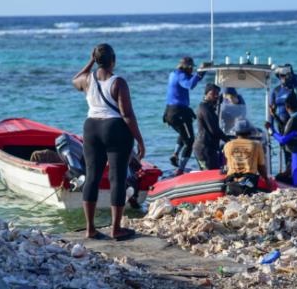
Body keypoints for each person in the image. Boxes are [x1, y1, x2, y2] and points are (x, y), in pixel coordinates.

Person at [72, 43, 145, 241]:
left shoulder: (87, 79)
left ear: (95, 60)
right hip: (115, 128)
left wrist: (89, 62)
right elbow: (127, 114)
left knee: (92, 177)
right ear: (113, 60)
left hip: (91, 128)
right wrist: (139, 140)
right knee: (117, 178)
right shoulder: (118, 82)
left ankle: (90, 229)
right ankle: (116, 229)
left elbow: (74, 80)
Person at [163, 57, 206, 175]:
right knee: (190, 141)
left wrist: (202, 73)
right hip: (179, 113)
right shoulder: (181, 75)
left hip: (170, 111)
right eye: (192, 68)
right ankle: (180, 170)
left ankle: (175, 154)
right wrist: (199, 73)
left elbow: (192, 81)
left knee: (183, 134)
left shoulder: (174, 73)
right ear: (188, 67)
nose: (192, 70)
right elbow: (189, 85)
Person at [269, 64, 297, 174]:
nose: (283, 78)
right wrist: (270, 127)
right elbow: (271, 109)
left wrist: (292, 77)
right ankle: (289, 171)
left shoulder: (294, 89)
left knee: (295, 149)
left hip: (294, 124)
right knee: (285, 149)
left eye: (285, 76)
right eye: (281, 76)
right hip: (281, 124)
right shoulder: (276, 91)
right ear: (278, 77)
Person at [223, 119, 271, 195]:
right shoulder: (257, 145)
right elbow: (261, 166)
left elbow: (228, 162)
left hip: (231, 183)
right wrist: (266, 179)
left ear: (235, 132)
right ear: (250, 132)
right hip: (249, 183)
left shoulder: (228, 145)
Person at [193, 83, 231, 170]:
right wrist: (228, 141)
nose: (215, 96)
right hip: (204, 148)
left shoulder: (209, 107)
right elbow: (214, 130)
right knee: (210, 173)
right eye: (212, 94)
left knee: (214, 171)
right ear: (206, 94)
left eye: (217, 93)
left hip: (209, 147)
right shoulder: (204, 108)